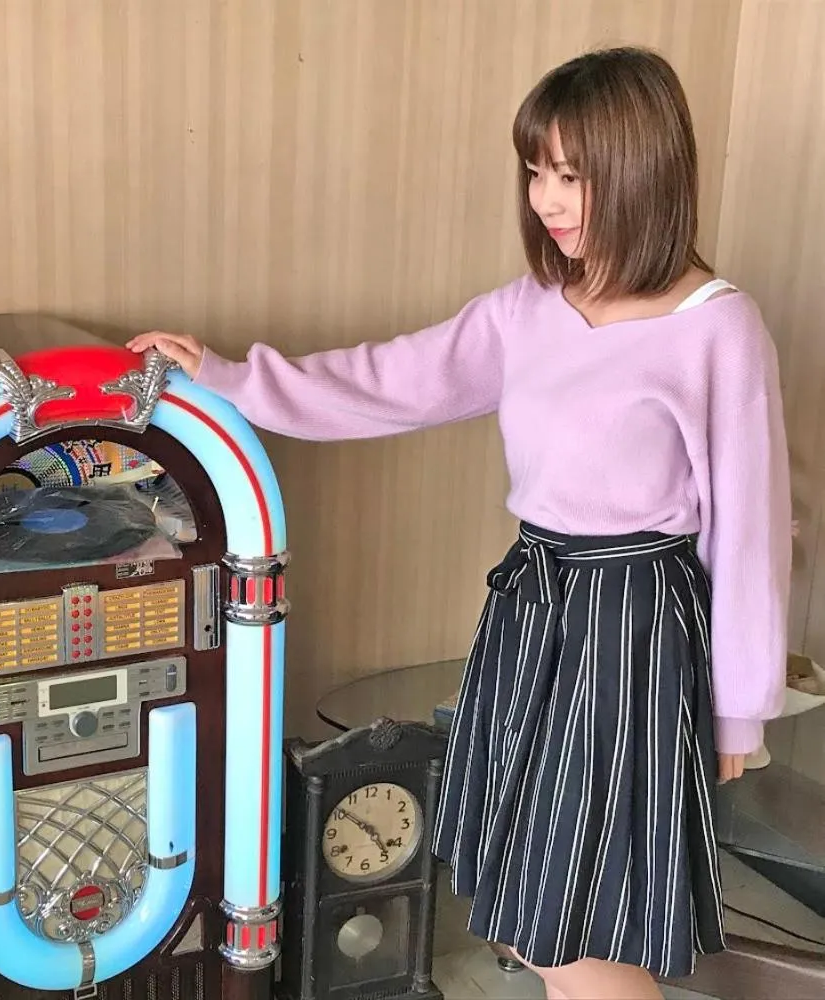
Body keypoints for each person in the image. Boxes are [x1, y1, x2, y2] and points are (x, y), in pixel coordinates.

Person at [129, 46, 791, 1000]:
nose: (547, 200)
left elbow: (751, 531)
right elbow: (385, 380)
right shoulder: (530, 310)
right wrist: (228, 377)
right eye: (536, 171)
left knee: (577, 919)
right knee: (530, 901)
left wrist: (740, 705)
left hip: (632, 628)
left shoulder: (717, 327)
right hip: (533, 609)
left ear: (644, 170)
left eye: (573, 174)